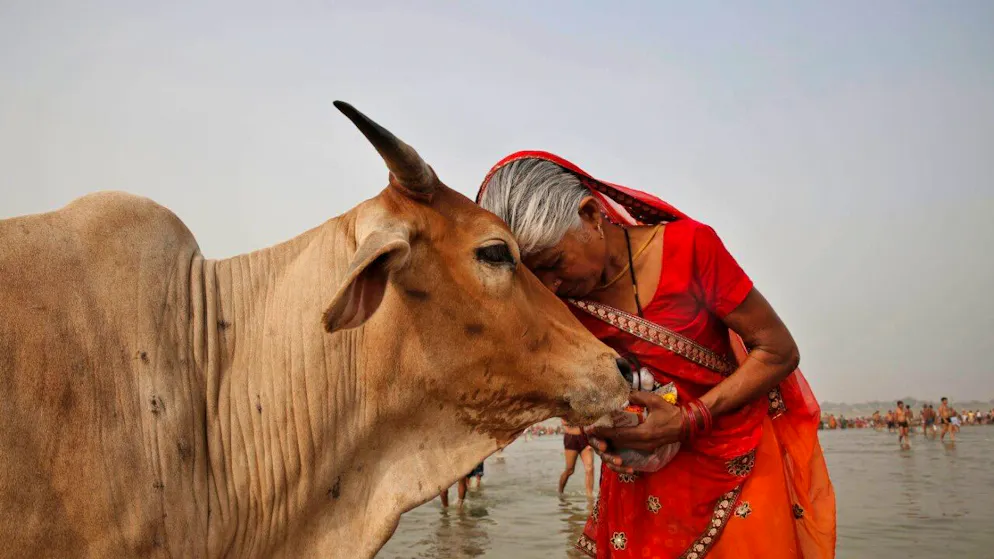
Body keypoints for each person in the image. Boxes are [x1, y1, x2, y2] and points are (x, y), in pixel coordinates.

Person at [477, 152, 836, 558]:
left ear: (592, 215)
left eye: (554, 263)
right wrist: (604, 437)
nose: (552, 287)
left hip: (737, 461)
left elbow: (778, 350)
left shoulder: (691, 249)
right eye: (536, 279)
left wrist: (686, 420)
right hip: (641, 484)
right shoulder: (562, 307)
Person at [560, 419, 596, 498]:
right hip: (571, 437)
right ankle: (560, 492)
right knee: (569, 470)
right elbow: (564, 422)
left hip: (585, 437)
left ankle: (590, 497)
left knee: (589, 468)